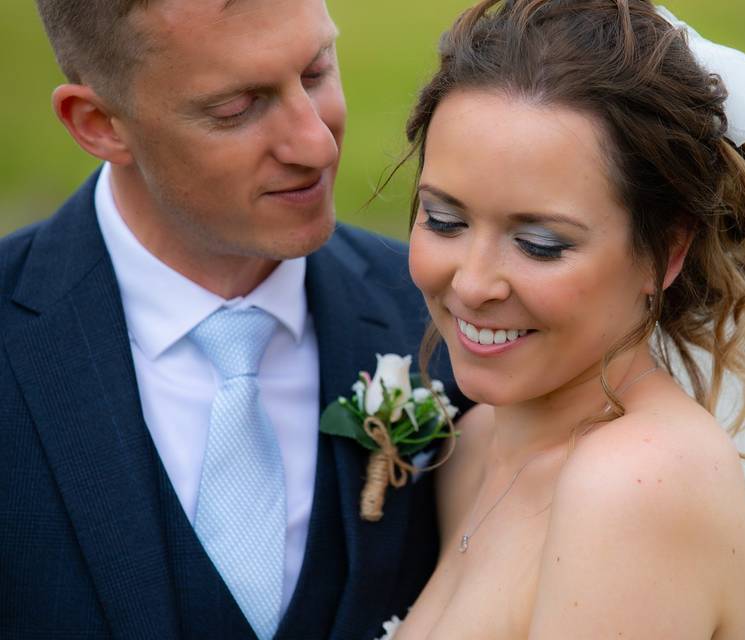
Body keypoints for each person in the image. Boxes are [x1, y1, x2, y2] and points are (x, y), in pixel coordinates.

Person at [382, 1, 745, 638]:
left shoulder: (634, 486)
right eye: (443, 220)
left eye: (540, 243)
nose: (472, 282)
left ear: (667, 252)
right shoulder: (478, 444)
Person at [0, 1, 459, 638]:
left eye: (316, 71)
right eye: (238, 108)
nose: (317, 143)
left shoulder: (449, 318)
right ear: (100, 123)